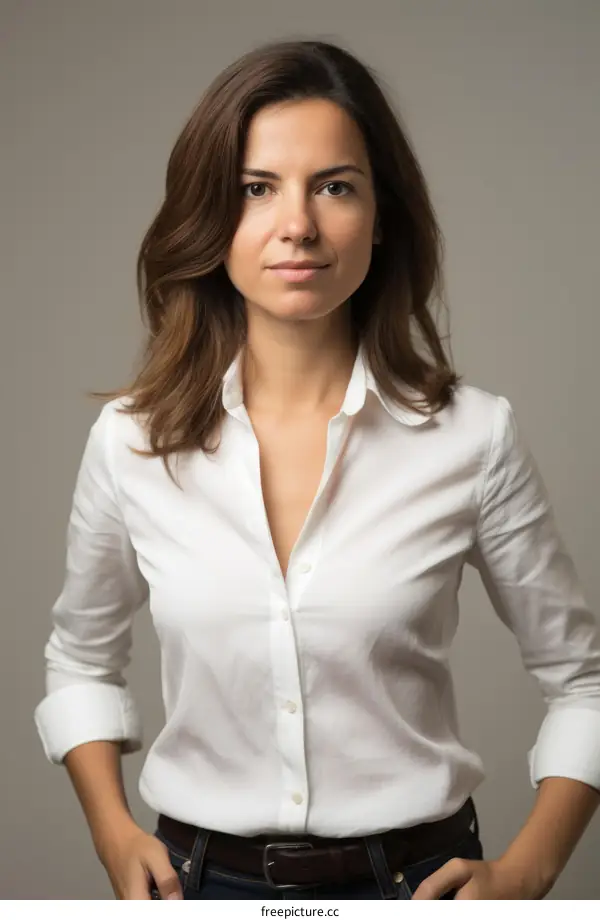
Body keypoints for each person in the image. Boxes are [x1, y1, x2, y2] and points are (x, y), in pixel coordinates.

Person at [34, 38, 600, 901]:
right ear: (209, 217)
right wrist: (113, 834)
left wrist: (526, 875)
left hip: (420, 886)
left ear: (382, 214)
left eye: (335, 186)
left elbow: (584, 681)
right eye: (255, 189)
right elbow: (80, 659)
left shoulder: (473, 437)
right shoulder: (132, 441)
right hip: (198, 887)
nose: (296, 224)